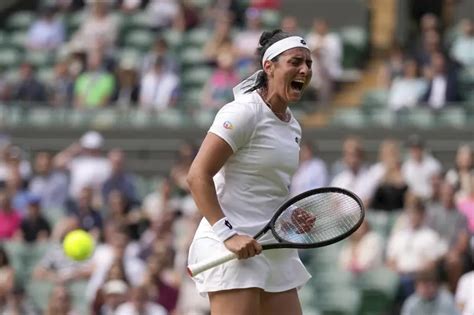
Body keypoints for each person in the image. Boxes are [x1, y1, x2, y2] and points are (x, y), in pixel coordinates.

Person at [186, 29, 314, 314]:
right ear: (269, 66)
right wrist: (228, 235)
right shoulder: (243, 112)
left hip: (270, 246)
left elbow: (265, 185)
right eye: (295, 62)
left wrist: (290, 217)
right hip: (231, 244)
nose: (304, 69)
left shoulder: (292, 125)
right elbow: (197, 175)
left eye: (309, 63)